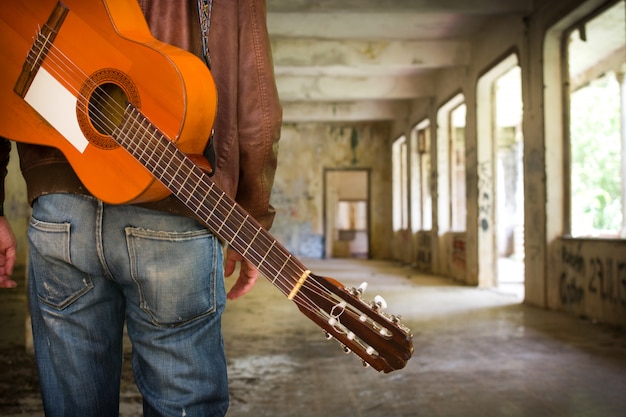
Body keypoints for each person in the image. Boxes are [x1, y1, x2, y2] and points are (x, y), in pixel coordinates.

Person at [0, 0, 282, 415]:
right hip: (175, 203)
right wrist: (252, 220)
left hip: (61, 210)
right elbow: (258, 111)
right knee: (183, 402)